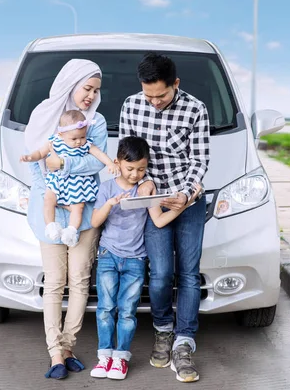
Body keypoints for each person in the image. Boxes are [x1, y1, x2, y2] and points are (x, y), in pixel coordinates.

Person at [120, 52, 210, 383]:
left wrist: (184, 195)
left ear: (176, 84)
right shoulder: (131, 105)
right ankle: (162, 330)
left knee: (187, 273)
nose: (155, 102)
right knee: (159, 275)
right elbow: (127, 153)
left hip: (187, 200)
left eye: (162, 95)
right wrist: (145, 186)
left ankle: (184, 341)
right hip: (153, 199)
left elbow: (199, 160)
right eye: (149, 95)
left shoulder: (195, 109)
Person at [89, 136, 202, 381]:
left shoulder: (146, 189)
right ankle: (104, 356)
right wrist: (111, 204)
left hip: (135, 260)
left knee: (127, 311)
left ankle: (120, 357)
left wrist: (187, 202)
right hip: (109, 255)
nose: (135, 174)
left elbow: (160, 220)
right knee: (106, 308)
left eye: (141, 169)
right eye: (130, 169)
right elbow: (95, 221)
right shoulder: (107, 187)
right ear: (117, 163)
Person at [23, 59, 108, 380]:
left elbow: (95, 163)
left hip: (83, 215)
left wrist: (63, 166)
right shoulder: (44, 114)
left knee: (80, 282)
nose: (90, 95)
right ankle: (55, 352)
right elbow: (36, 163)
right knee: (55, 283)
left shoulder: (95, 122)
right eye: (87, 87)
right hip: (48, 214)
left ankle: (69, 346)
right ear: (70, 83)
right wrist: (52, 191)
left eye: (96, 90)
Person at [21, 109, 117, 247]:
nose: (79, 142)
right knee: (48, 199)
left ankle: (71, 230)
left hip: (78, 182)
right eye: (74, 139)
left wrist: (110, 163)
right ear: (61, 134)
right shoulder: (54, 141)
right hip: (58, 180)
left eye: (82, 137)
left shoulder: (86, 144)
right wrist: (30, 157)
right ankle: (50, 226)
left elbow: (99, 154)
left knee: (78, 207)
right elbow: (40, 153)